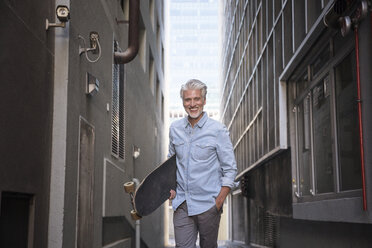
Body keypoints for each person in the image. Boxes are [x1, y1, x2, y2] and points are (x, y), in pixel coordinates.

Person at [168, 79, 238, 248]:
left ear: (204, 101)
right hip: (182, 204)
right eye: (188, 100)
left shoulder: (218, 130)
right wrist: (170, 188)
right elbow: (170, 164)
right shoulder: (175, 129)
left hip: (209, 205)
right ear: (183, 102)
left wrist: (219, 201)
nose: (192, 104)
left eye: (197, 99)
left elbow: (230, 169)